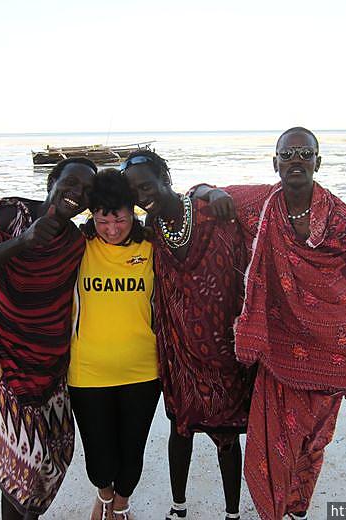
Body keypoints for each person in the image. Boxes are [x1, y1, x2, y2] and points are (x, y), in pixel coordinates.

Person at [196, 127, 346, 520]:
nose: (296, 160)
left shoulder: (342, 219)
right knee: (273, 444)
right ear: (275, 163)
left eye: (304, 153)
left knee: (312, 443)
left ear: (317, 162)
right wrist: (214, 193)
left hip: (331, 354)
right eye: (287, 154)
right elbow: (197, 192)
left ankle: (296, 511)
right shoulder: (259, 203)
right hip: (279, 351)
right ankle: (272, 512)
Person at [0, 157, 96, 520]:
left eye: (86, 191)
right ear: (52, 180)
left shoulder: (79, 240)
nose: (77, 195)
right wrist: (23, 241)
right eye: (71, 183)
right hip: (5, 354)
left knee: (54, 454)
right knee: (24, 459)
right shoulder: (9, 215)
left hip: (52, 364)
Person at [121, 150, 253, 520]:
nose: (141, 194)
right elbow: (107, 236)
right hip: (178, 348)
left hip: (222, 347)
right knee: (180, 429)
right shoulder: (149, 228)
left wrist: (211, 188)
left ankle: (232, 513)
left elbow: (260, 215)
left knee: (226, 437)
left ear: (165, 176)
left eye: (146, 184)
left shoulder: (210, 207)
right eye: (133, 191)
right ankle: (178, 509)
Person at [68, 168, 160, 520]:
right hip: (87, 371)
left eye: (119, 219)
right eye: (102, 220)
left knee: (131, 451)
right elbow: (31, 264)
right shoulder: (77, 246)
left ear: (133, 211)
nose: (111, 229)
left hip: (143, 370)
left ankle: (120, 505)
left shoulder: (152, 246)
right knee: (99, 457)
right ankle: (103, 496)